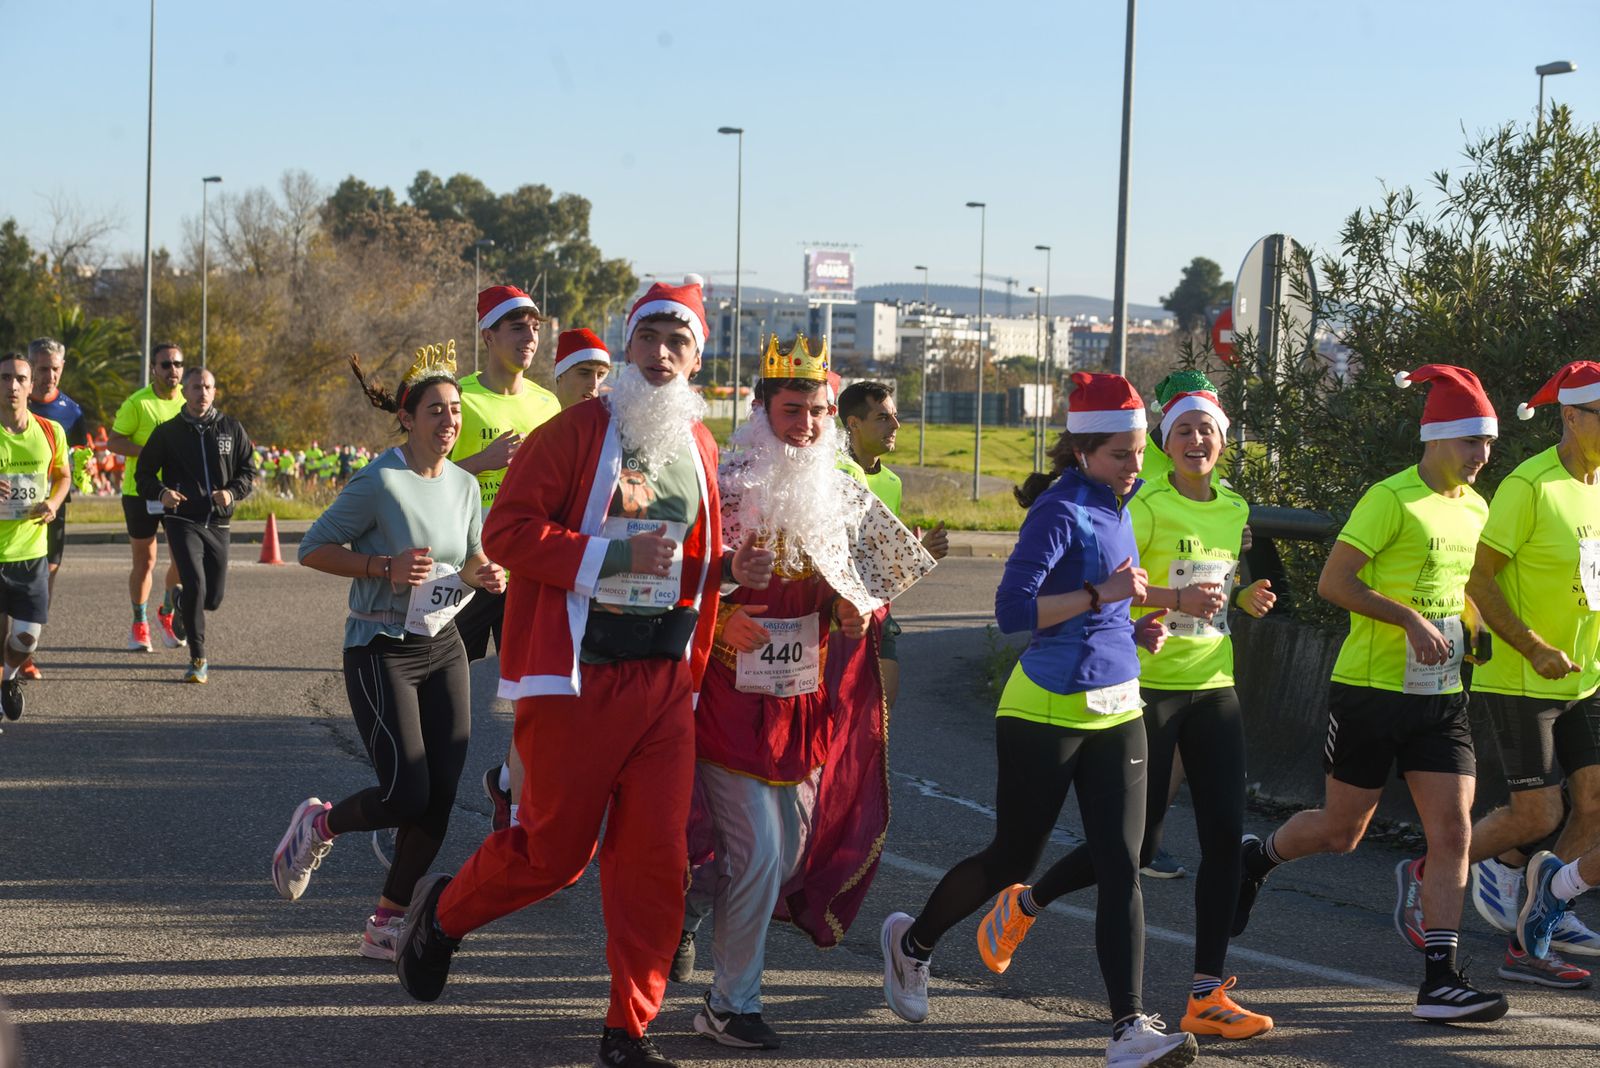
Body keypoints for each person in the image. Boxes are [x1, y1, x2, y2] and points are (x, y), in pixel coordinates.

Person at [391, 277, 775, 1068]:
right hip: (576, 681)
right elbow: (506, 532)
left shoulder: (700, 448)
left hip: (665, 688)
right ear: (626, 346)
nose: (663, 354)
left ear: (698, 357)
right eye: (650, 338)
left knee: (655, 864)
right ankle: (444, 915)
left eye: (680, 342)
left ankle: (626, 1030)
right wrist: (608, 557)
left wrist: (733, 568)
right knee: (553, 857)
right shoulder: (572, 434)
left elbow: (687, 564)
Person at [880, 372, 1192, 1068]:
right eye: (1120, 454)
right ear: (1082, 451)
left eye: (1142, 452)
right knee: (1012, 860)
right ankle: (913, 944)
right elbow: (1014, 612)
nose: (1135, 465)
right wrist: (1100, 594)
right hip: (1044, 710)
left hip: (1118, 706)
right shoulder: (1059, 509)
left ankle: (1128, 1030)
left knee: (1122, 863)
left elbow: (1106, 601)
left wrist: (1132, 627)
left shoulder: (1121, 499)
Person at [973, 371, 1277, 1039]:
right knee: (1134, 849)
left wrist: (1245, 597)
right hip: (1142, 684)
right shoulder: (1144, 501)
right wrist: (1170, 605)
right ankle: (1026, 902)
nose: (1198, 439)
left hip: (1213, 681)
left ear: (1224, 440)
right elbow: (1115, 583)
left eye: (1209, 430)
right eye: (1185, 430)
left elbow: (1223, 582)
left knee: (1226, 836)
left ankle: (1205, 993)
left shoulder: (1234, 507)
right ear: (1165, 440)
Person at [1232, 365, 1509, 1022]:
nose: (1482, 456)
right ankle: (1256, 858)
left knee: (1453, 832)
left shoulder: (1475, 508)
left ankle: (1440, 981)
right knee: (1340, 832)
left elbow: (1462, 585)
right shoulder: (1391, 499)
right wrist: (1409, 619)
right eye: (1472, 442)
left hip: (1440, 697)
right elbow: (1335, 583)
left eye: (1489, 444)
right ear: (1438, 437)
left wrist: (1478, 630)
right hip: (1369, 690)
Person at [683, 339, 935, 1050]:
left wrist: (857, 611)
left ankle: (687, 909)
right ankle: (731, 1004)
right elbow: (670, 573)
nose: (807, 425)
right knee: (760, 855)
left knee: (783, 855)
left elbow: (874, 587)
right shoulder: (725, 482)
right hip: (728, 698)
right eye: (792, 410)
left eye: (819, 411)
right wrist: (722, 613)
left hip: (804, 703)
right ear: (761, 410)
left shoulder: (846, 491)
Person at [271, 340, 504, 962]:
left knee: (440, 799)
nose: (449, 421)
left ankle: (385, 923)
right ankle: (317, 827)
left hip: (444, 644)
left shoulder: (463, 484)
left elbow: (472, 553)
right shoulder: (379, 480)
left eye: (455, 409)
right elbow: (313, 547)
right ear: (407, 416)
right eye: (436, 410)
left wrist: (486, 573)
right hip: (380, 649)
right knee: (404, 795)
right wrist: (384, 566)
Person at [1457, 360, 1600, 985]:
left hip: (1584, 676)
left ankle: (1542, 918)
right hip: (1522, 675)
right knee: (1537, 814)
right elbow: (1478, 577)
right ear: (1570, 417)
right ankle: (1429, 869)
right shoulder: (1530, 485)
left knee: (1595, 805)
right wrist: (1535, 644)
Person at [450, 285, 561, 835]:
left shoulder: (547, 404)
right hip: (467, 570)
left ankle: (513, 796)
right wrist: (483, 460)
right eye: (516, 327)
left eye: (535, 326)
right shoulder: (459, 398)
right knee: (441, 690)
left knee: (533, 700)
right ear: (488, 335)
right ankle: (414, 799)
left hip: (529, 575)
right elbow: (425, 478)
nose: (529, 336)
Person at [135, 367, 258, 684]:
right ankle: (198, 659)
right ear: (185, 392)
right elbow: (143, 476)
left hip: (218, 522)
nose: (202, 392)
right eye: (195, 387)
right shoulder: (167, 432)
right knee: (195, 583)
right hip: (181, 520)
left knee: (213, 599)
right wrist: (162, 493)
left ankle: (179, 601)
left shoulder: (231, 428)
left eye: (207, 387)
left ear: (214, 391)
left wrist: (231, 493)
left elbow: (248, 471)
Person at [836, 380, 948, 710]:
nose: (896, 426)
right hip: (835, 615)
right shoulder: (836, 472)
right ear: (854, 424)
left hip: (880, 612)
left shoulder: (892, 483)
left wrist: (919, 552)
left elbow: (882, 562)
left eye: (895, 416)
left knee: (880, 712)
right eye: (883, 418)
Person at [0, 353, 70, 724]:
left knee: (26, 640)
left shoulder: (49, 431)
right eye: (5, 377)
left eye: (19, 378)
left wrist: (54, 503)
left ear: (31, 386)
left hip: (30, 551)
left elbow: (62, 475)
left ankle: (9, 679)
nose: (12, 385)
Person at [106, 344, 187, 652]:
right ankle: (139, 624)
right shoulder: (138, 403)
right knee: (146, 560)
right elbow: (114, 442)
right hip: (140, 492)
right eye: (165, 364)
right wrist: (150, 454)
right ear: (153, 368)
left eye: (177, 364)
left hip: (177, 492)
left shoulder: (187, 402)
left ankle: (166, 613)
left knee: (182, 557)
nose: (173, 370)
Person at [23, 338, 88, 680]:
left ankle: (27, 650)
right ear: (30, 367)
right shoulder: (12, 402)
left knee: (46, 576)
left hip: (53, 505)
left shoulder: (72, 411)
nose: (49, 375)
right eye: (43, 368)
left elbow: (80, 458)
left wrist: (84, 469)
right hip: (11, 507)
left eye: (55, 369)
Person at [552, 327, 612, 409]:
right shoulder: (538, 417)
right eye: (585, 373)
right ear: (560, 376)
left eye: (600, 375)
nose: (594, 384)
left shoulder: (611, 420)